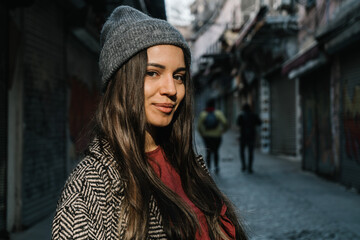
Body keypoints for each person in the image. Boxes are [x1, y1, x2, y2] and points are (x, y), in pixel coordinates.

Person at [52, 6, 247, 240]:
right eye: (153, 73)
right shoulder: (91, 184)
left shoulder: (188, 165)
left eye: (179, 76)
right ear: (122, 81)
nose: (171, 89)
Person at [197, 99, 229, 174]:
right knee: (216, 151)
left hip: (207, 136)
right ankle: (217, 167)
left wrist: (202, 133)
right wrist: (223, 130)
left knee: (208, 152)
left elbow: (199, 126)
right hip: (217, 136)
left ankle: (208, 168)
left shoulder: (203, 114)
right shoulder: (218, 113)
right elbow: (225, 123)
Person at [236, 103, 261, 173]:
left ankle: (243, 166)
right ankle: (250, 167)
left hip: (243, 136)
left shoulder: (241, 115)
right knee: (250, 152)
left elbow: (238, 123)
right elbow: (259, 123)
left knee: (242, 151)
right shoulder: (253, 115)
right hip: (251, 136)